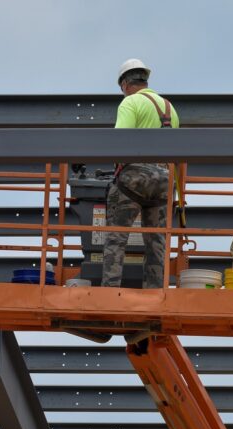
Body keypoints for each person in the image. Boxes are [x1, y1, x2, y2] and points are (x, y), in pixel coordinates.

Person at [102, 58, 181, 289]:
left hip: (136, 179)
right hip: (165, 181)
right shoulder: (169, 108)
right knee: (157, 241)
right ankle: (156, 291)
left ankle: (110, 290)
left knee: (116, 237)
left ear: (125, 84)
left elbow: (120, 142)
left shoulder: (130, 103)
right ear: (145, 80)